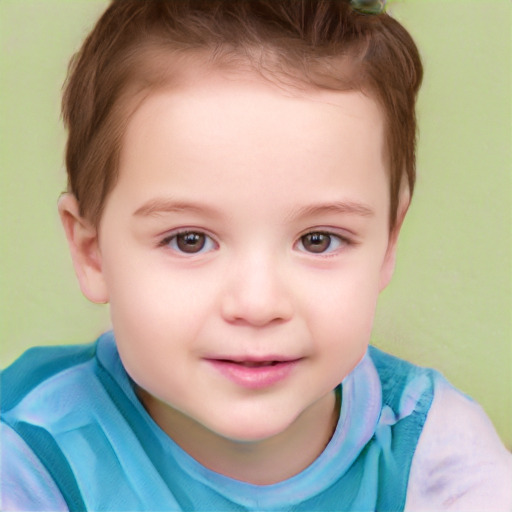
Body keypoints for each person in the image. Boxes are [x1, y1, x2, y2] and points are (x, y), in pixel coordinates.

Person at [1, 0, 510, 510]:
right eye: (189, 240)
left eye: (318, 239)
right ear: (93, 253)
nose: (258, 303)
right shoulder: (33, 453)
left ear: (387, 244)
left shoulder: (432, 451)